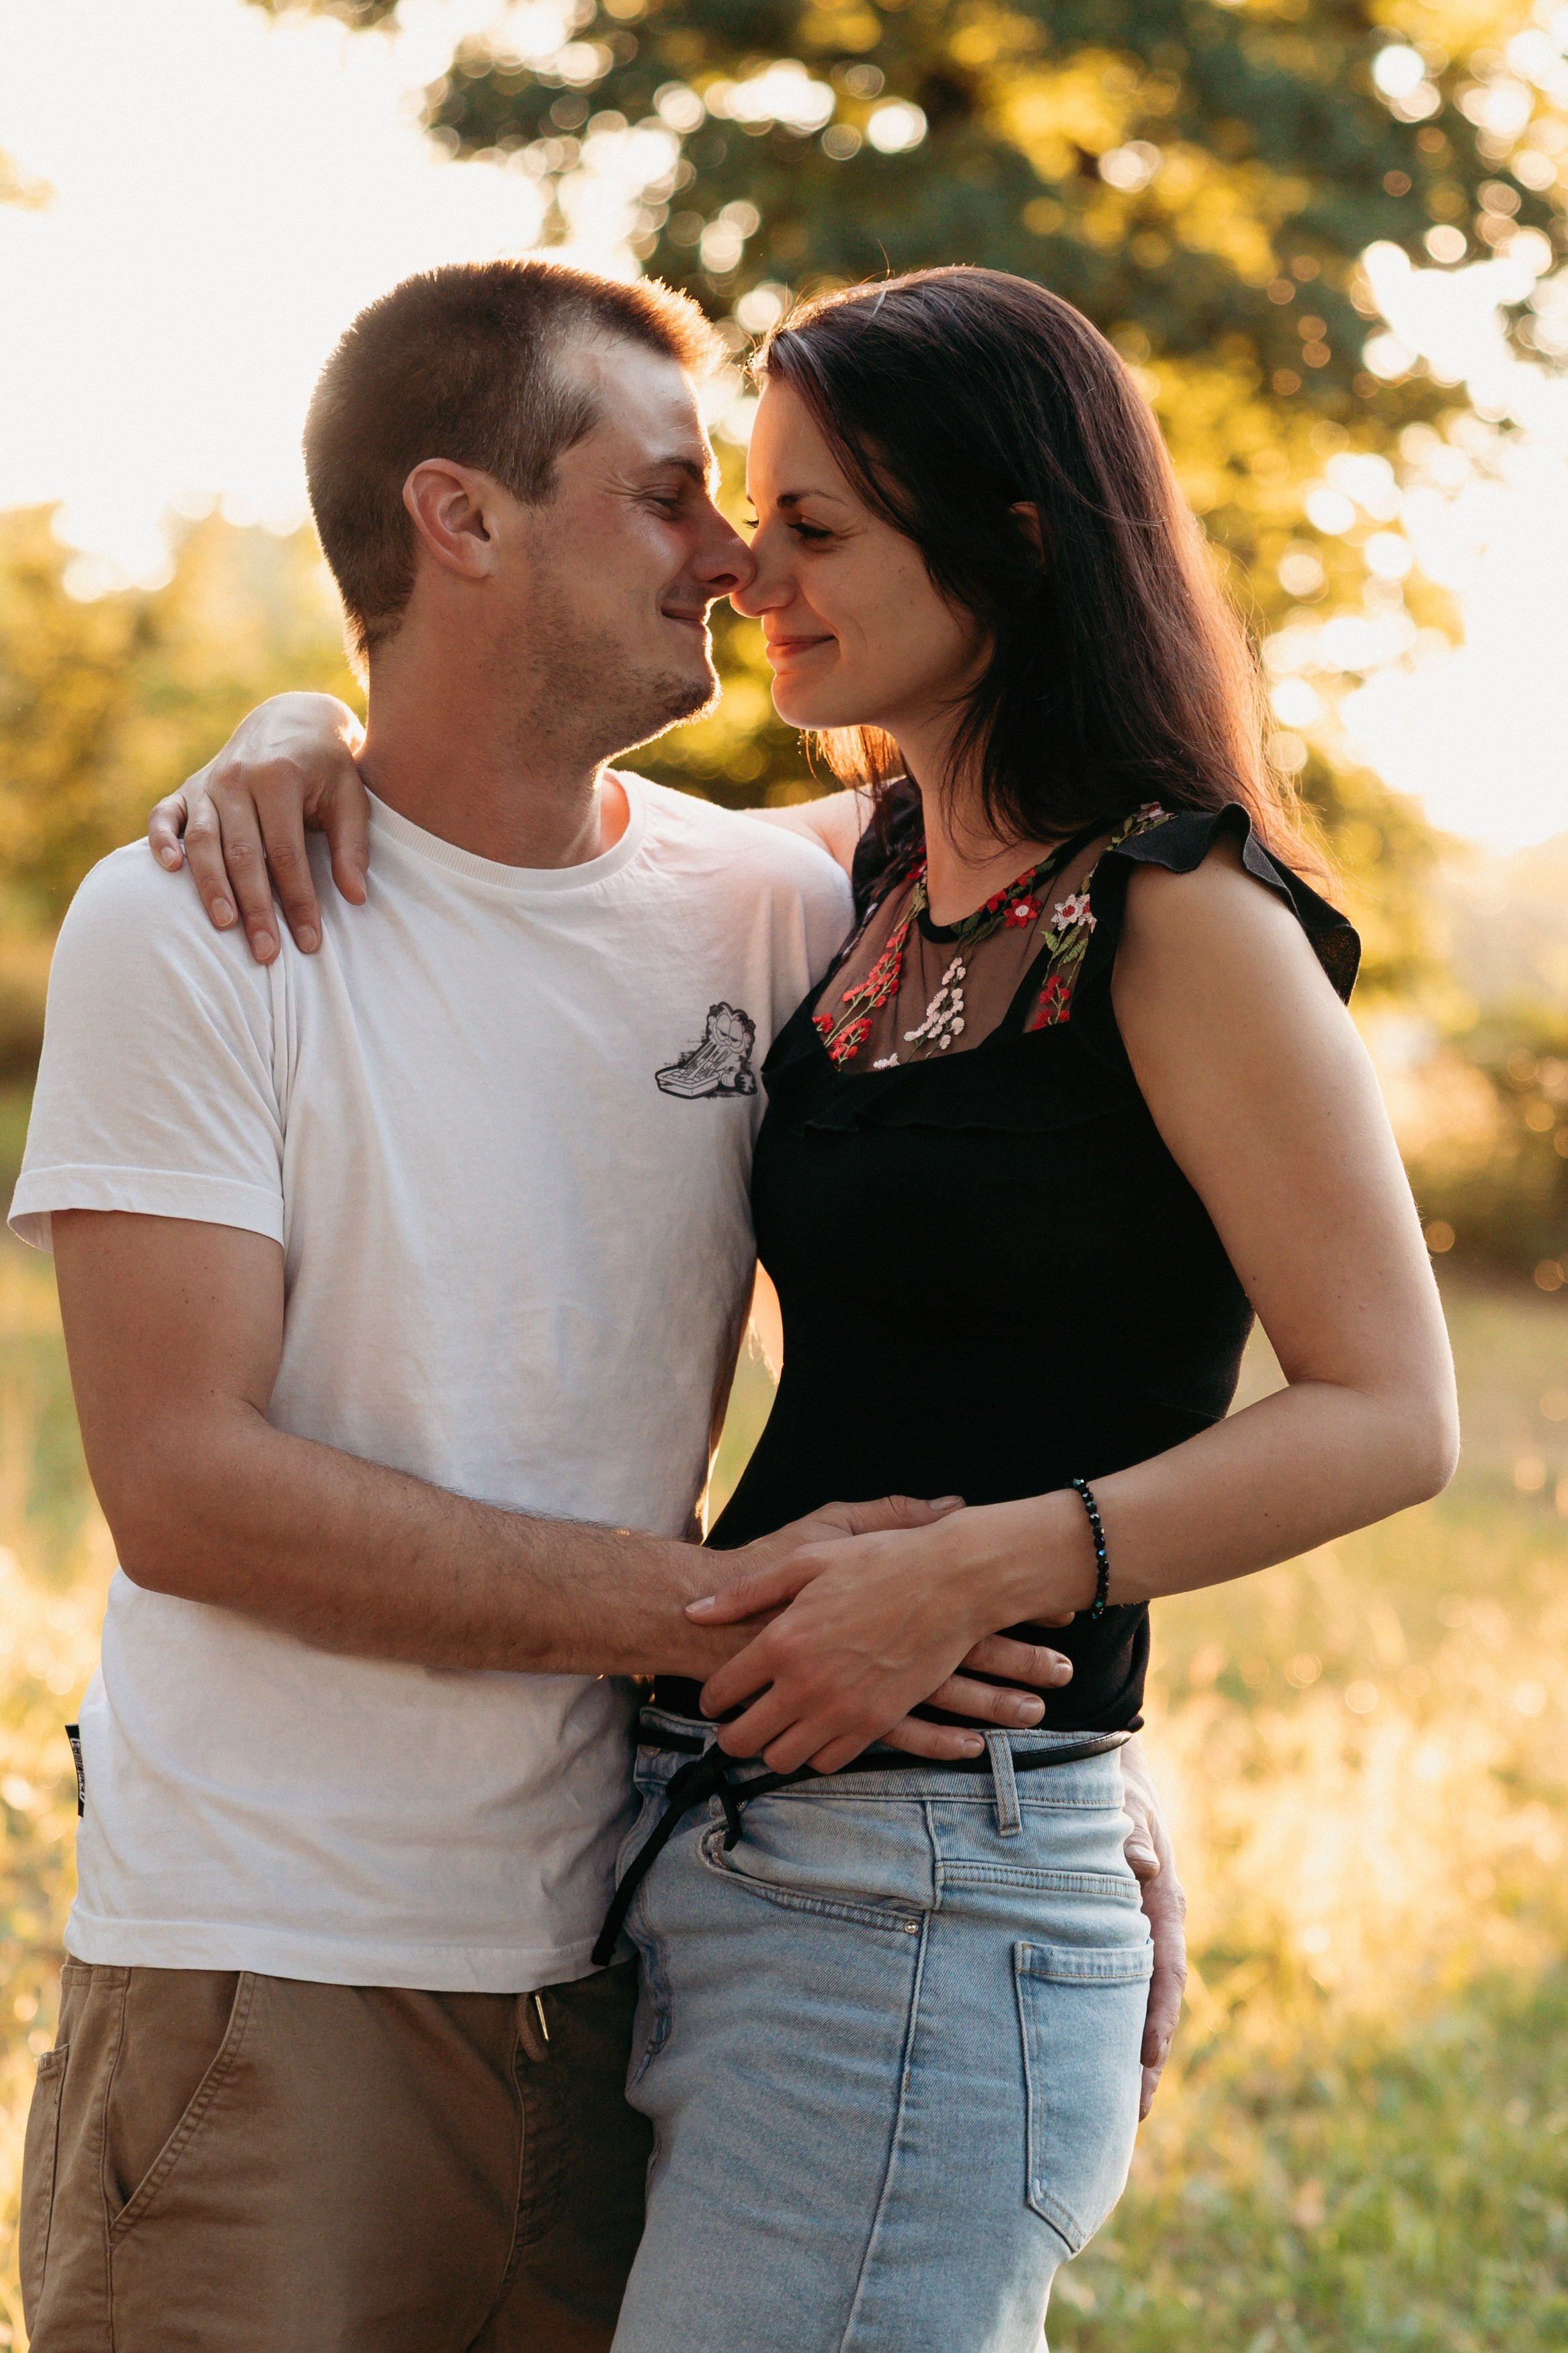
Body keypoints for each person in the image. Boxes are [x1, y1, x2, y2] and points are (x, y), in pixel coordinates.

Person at [144, 266, 1456, 2349]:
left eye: (814, 525)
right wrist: (292, 721)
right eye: (739, 516)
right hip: (704, 1844)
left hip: (935, 1868)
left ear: (1010, 538)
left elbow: (1396, 1408)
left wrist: (984, 1586)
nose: (754, 575)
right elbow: (506, 818)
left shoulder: (1178, 910)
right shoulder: (857, 889)